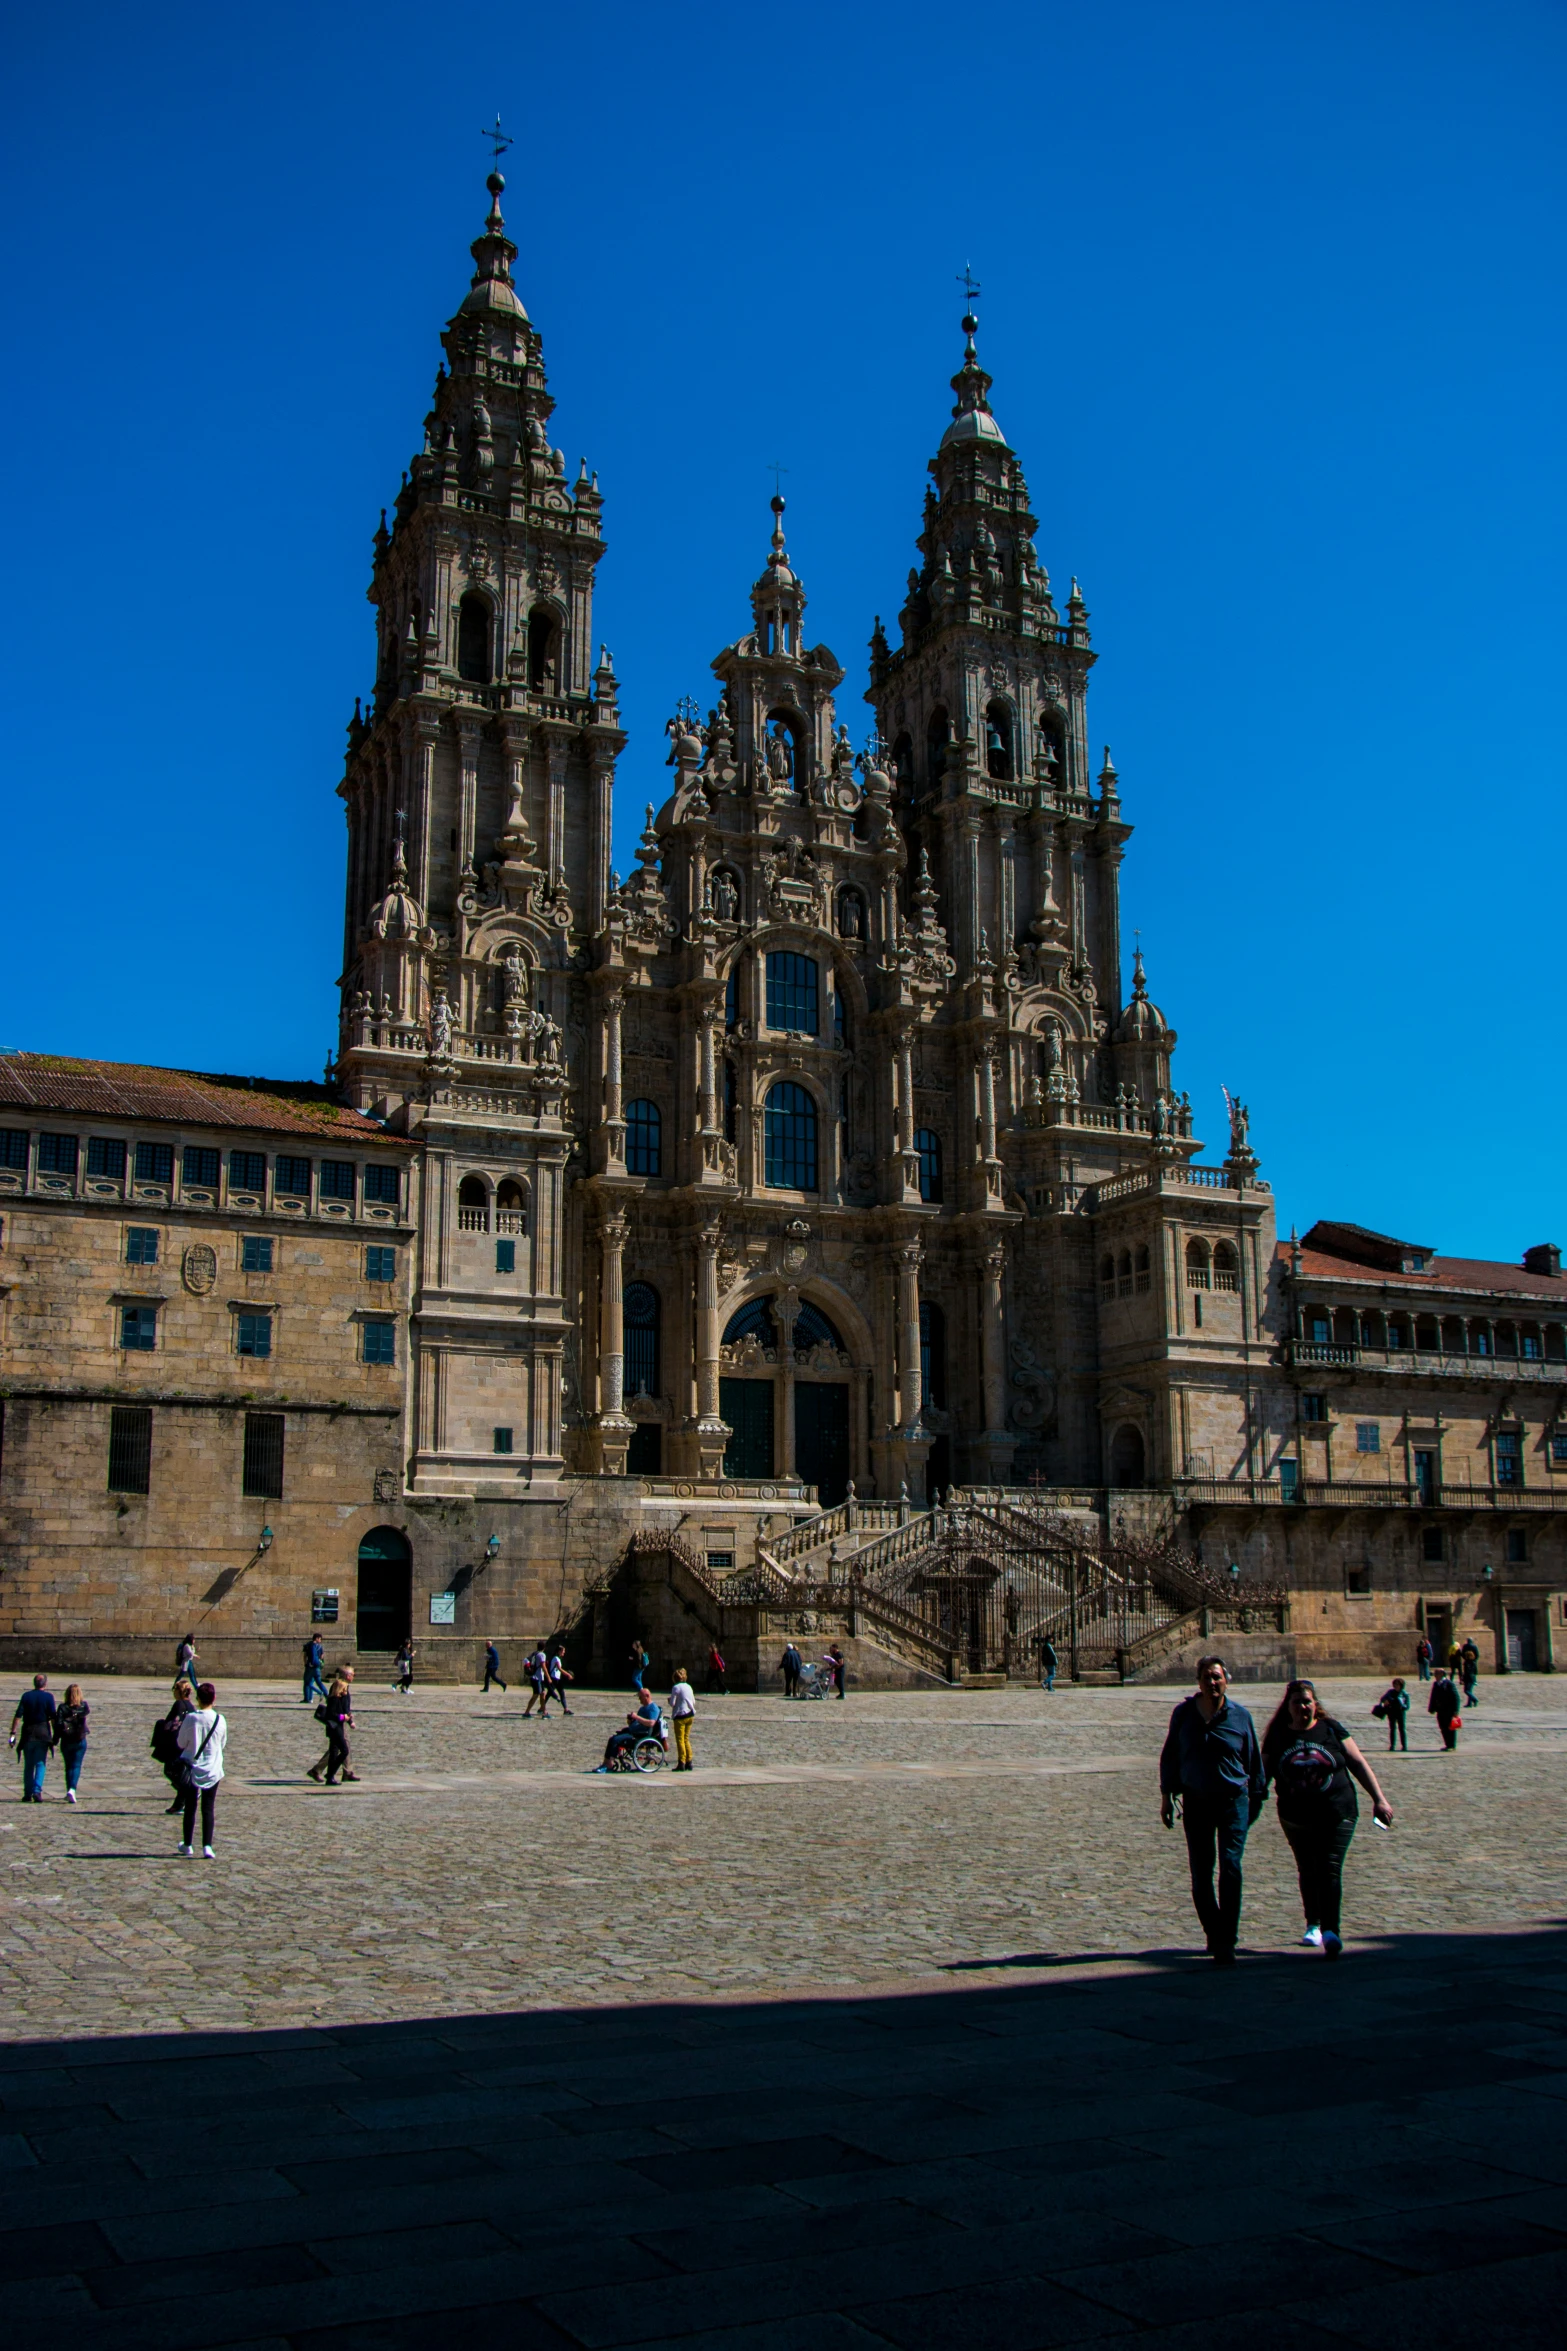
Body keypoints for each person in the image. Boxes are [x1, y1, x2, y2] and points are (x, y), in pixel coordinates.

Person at [1263, 1677, 1393, 1957]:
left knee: (1330, 1867)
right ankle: (1313, 1924)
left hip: (1338, 1811)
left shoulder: (1331, 1729)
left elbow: (1358, 1763)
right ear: (1288, 1706)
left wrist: (1379, 1799)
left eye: (1308, 1701)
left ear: (1315, 1704)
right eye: (1297, 1702)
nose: (1303, 1707)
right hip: (1295, 1816)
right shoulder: (1277, 1736)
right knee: (1307, 1869)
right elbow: (1261, 1777)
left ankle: (1331, 1930)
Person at [1158, 1655, 1266, 1965]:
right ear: (1199, 1681)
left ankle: (1226, 1939)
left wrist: (1255, 1800)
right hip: (1196, 1801)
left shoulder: (1240, 1716)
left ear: (1226, 1680)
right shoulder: (1184, 1715)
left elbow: (1253, 1760)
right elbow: (1170, 1755)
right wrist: (1167, 1795)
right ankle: (1215, 1930)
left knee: (1231, 1867)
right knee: (1201, 1874)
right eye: (1207, 1677)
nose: (1212, 1682)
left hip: (1233, 1801)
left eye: (1217, 1677)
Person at [176, 1681, 227, 1858]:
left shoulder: (191, 1718)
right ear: (214, 1698)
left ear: (198, 1699)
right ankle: (207, 1846)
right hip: (213, 1769)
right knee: (208, 1807)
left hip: (192, 1767)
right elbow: (222, 1743)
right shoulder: (220, 1719)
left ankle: (188, 1844)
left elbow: (181, 1743)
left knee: (190, 1807)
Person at [9, 1673, 57, 1803]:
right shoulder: (48, 1697)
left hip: (28, 1732)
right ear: (45, 1684)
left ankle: (27, 1793)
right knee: (40, 1763)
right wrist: (56, 1734)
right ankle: (37, 1791)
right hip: (42, 1732)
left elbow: (18, 1715)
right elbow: (53, 1717)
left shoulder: (26, 1696)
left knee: (28, 1765)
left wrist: (13, 1734)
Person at [153, 1678, 196, 1813]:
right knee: (182, 1773)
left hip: (176, 1743)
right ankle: (179, 1804)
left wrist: (161, 1724)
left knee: (170, 1770)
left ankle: (188, 1792)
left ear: (178, 1691)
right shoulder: (191, 1705)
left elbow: (172, 1724)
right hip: (187, 1743)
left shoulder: (179, 1704)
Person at [309, 1669, 358, 1784]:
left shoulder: (341, 1686)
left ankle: (344, 1772)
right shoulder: (339, 1687)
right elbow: (339, 1710)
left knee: (337, 1748)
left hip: (339, 1723)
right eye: (353, 1674)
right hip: (337, 1724)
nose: (354, 1677)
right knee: (342, 1748)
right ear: (347, 1675)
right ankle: (320, 1770)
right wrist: (348, 1719)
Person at [597, 1692, 661, 1771]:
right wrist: (631, 1721)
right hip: (633, 1731)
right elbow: (637, 1722)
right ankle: (605, 1762)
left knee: (615, 1740)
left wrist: (636, 1717)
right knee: (612, 1738)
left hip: (640, 1735)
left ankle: (610, 1764)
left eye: (641, 1697)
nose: (639, 1699)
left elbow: (651, 1723)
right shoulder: (642, 1708)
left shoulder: (653, 1708)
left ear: (647, 1696)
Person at [55, 1683, 90, 1804]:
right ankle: (72, 1789)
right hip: (80, 1739)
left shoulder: (62, 1707)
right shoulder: (83, 1706)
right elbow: (85, 1712)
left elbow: (58, 1724)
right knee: (76, 1765)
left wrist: (55, 1738)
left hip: (67, 1739)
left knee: (68, 1766)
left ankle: (69, 1789)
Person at [670, 1665, 696, 1770]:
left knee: (680, 1740)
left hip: (680, 1716)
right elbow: (693, 1701)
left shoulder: (676, 1687)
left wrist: (670, 1701)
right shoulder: (689, 1686)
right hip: (690, 1714)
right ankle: (689, 1761)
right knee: (686, 1739)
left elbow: (672, 1703)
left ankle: (682, 1762)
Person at [1374, 1677, 1410, 1753]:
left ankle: (1404, 1746)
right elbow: (1382, 1699)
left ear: (1401, 1686)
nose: (1396, 1686)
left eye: (1397, 1685)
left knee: (1402, 1729)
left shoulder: (1404, 1694)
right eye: (1395, 1685)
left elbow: (1407, 1706)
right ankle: (1392, 1745)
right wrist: (1386, 1701)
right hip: (1391, 1712)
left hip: (1400, 1713)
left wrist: (1402, 1706)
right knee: (1392, 1729)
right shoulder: (1390, 1692)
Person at [1429, 1669, 1462, 1751]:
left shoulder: (1449, 1684)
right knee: (1442, 1727)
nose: (1435, 1675)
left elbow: (1456, 1697)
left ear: (1442, 1674)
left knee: (1450, 1728)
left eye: (1437, 1673)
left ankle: (1452, 1745)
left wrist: (1456, 1710)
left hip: (1449, 1710)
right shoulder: (1435, 1684)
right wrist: (1431, 1708)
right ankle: (1447, 1744)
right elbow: (1433, 1697)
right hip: (1440, 1710)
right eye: (1435, 1674)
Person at [522, 1644, 549, 1717]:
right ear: (544, 1648)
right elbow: (543, 1666)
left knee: (543, 1694)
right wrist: (549, 1678)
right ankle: (526, 1712)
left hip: (539, 1678)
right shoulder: (542, 1655)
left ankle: (544, 1712)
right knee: (535, 1695)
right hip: (537, 1678)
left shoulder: (534, 1653)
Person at [546, 1648, 574, 1717]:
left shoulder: (558, 1658)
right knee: (549, 1693)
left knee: (561, 1693)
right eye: (563, 1651)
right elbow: (559, 1668)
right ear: (559, 1651)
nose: (564, 1653)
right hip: (554, 1678)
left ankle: (566, 1709)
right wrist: (568, 1674)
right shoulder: (556, 1658)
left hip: (558, 1678)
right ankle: (542, 1707)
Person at [302, 1634, 328, 1706]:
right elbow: (322, 1656)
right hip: (317, 1666)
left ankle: (310, 1697)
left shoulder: (308, 1645)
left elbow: (305, 1656)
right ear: (316, 1638)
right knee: (319, 1682)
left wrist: (306, 1664)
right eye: (320, 1639)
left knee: (307, 1682)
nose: (320, 1640)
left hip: (310, 1666)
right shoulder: (320, 1646)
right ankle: (327, 1696)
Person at [1460, 1636, 1480, 1708]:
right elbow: (1477, 1655)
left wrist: (1462, 1678)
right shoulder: (1474, 1647)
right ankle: (1469, 1703)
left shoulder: (1465, 1647)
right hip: (1472, 1675)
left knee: (1467, 1690)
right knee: (1469, 1690)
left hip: (1468, 1677)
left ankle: (1474, 1700)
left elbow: (1462, 1654)